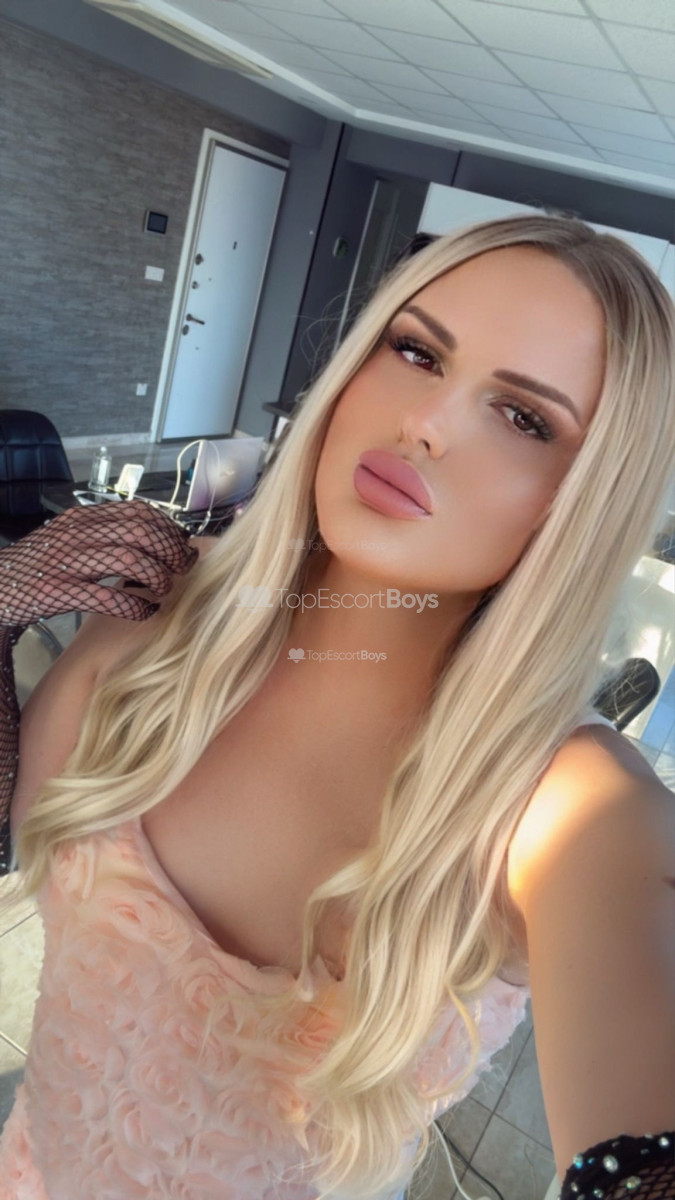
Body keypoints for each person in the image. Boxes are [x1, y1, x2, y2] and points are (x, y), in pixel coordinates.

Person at [0, 213, 673, 1200]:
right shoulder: (160, 613)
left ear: (585, 503)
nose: (425, 422)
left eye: (524, 417)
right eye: (417, 352)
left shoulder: (569, 807)